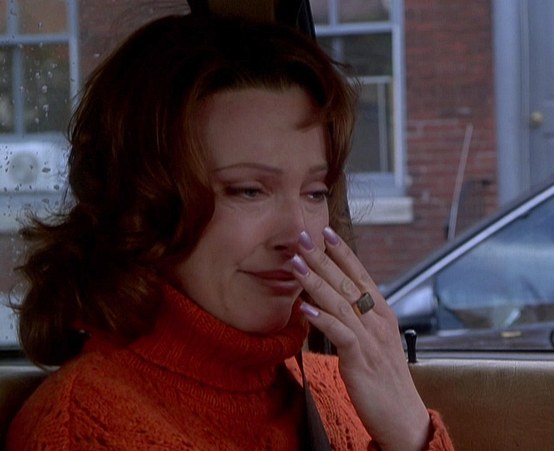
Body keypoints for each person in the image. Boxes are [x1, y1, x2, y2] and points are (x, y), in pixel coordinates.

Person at [6, 11, 453, 451]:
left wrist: (410, 433)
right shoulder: (84, 427)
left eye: (315, 192)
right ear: (144, 205)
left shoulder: (342, 391)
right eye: (249, 191)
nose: (297, 235)